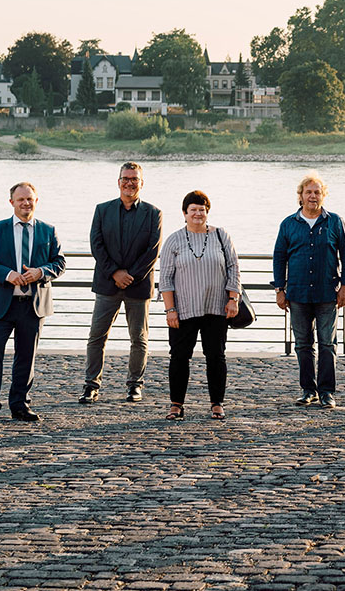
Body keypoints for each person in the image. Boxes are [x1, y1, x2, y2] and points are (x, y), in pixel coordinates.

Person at [0, 182, 66, 426]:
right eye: (21, 199)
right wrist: (7, 274)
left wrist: (41, 272)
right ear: (11, 202)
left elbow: (59, 263)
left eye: (30, 199)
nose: (26, 203)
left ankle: (20, 405)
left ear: (36, 201)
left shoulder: (48, 230)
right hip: (0, 304)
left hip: (33, 305)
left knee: (26, 356)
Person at [80, 162, 162, 405]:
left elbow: (153, 250)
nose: (129, 183)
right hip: (107, 284)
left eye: (134, 179)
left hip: (138, 287)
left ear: (141, 183)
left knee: (139, 338)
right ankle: (91, 385)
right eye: (125, 178)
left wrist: (131, 277)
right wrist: (115, 272)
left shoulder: (153, 213)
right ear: (118, 182)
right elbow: (96, 244)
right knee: (97, 337)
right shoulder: (102, 210)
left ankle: (135, 385)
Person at [272, 173, 345, 408]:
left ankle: (327, 391)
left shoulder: (335, 221)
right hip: (297, 294)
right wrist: (280, 288)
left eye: (317, 192)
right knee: (302, 344)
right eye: (308, 192)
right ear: (300, 196)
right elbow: (279, 257)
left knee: (327, 344)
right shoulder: (288, 224)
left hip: (327, 293)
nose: (312, 196)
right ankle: (308, 390)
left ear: (323, 195)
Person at [158, 190, 240, 421]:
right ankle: (176, 405)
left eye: (202, 210)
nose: (197, 213)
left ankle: (217, 404)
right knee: (179, 357)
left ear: (207, 212)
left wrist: (233, 300)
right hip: (183, 310)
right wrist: (170, 310)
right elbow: (165, 279)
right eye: (193, 209)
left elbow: (234, 268)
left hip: (216, 308)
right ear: (185, 213)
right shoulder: (174, 240)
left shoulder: (221, 236)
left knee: (216, 356)